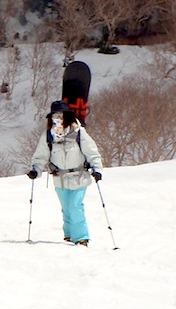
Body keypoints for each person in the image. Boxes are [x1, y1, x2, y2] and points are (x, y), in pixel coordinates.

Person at [28, 100, 104, 246]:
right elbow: (40, 156)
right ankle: (69, 233)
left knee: (75, 205)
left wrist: (97, 169)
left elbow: (92, 152)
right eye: (55, 116)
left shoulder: (78, 132)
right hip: (59, 178)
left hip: (79, 177)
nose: (57, 119)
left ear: (67, 116)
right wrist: (35, 170)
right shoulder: (48, 136)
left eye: (60, 115)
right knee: (67, 207)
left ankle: (81, 237)